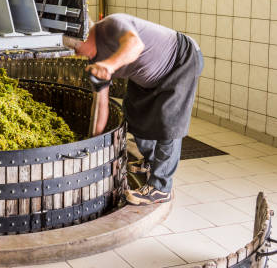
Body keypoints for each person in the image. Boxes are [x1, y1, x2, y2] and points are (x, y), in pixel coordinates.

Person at [64, 13, 203, 205]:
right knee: (133, 112)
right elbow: (101, 104)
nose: (76, 54)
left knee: (168, 123)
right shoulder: (93, 59)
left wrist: (109, 65)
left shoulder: (112, 24)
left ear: (87, 35)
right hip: (147, 76)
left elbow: (136, 45)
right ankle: (152, 161)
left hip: (180, 60)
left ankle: (161, 187)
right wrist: (93, 145)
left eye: (76, 47)